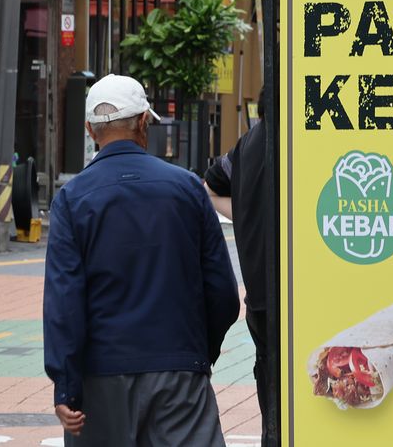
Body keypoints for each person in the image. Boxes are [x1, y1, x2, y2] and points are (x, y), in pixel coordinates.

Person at [44, 74, 239, 446]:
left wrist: (66, 386)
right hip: (179, 371)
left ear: (90, 130)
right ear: (144, 123)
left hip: (100, 378)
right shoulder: (186, 189)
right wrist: (197, 356)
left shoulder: (72, 199)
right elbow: (223, 294)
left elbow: (63, 303)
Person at [204, 85, 275, 445]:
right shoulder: (299, 138)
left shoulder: (246, 144)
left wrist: (245, 217)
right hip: (296, 296)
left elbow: (211, 186)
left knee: (271, 393)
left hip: (260, 299)